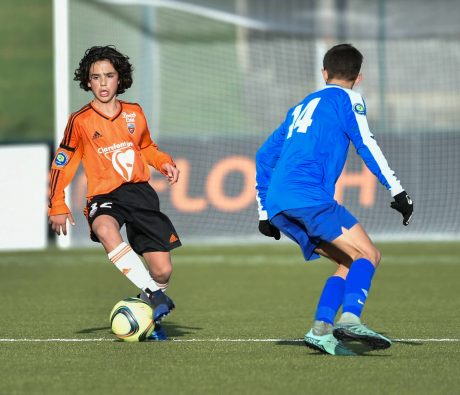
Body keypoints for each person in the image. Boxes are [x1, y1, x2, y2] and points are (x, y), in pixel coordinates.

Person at [255, 44, 413, 356]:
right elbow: (366, 143)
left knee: (349, 261)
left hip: (279, 203)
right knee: (368, 255)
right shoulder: (349, 99)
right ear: (360, 77)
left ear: (324, 73)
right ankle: (350, 319)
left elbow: (263, 156)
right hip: (308, 196)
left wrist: (263, 211)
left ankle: (321, 329)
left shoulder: (301, 105)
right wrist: (397, 189)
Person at [48, 45, 181, 341]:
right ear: (87, 81)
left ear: (120, 79)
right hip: (104, 196)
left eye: (109, 76)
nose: (103, 83)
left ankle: (149, 309)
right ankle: (155, 298)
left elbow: (146, 146)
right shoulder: (80, 121)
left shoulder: (134, 113)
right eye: (95, 77)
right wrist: (57, 203)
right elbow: (64, 160)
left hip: (141, 193)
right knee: (105, 228)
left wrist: (164, 162)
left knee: (162, 271)